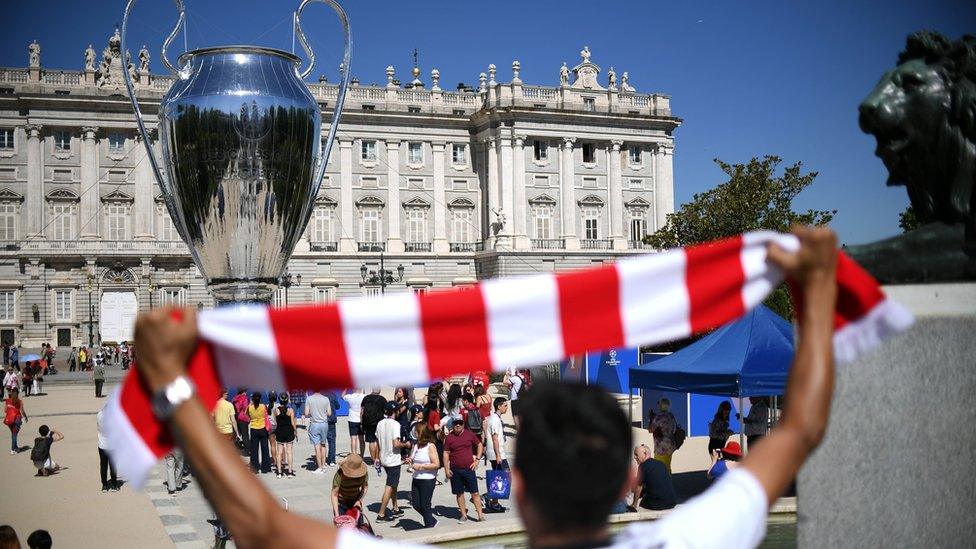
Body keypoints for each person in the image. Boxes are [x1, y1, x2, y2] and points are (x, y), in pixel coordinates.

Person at [130, 225, 841, 549]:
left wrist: (172, 386)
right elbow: (802, 427)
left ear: (521, 488)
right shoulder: (689, 536)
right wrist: (815, 289)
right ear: (626, 476)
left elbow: (258, 523)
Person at [443, 417, 486, 523]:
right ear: (452, 425)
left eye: (460, 423)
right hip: (455, 470)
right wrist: (446, 469)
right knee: (459, 493)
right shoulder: (449, 438)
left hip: (468, 469)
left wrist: (477, 459)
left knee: (475, 493)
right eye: (456, 423)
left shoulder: (469, 434)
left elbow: (479, 445)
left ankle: (480, 515)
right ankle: (463, 514)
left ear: (463, 424)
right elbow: (446, 453)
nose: (458, 425)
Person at [375, 401, 408, 522]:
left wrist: (377, 457)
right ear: (395, 411)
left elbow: (377, 442)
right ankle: (381, 513)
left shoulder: (380, 423)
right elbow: (396, 443)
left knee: (394, 484)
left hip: (383, 458)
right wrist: (407, 444)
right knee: (389, 486)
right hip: (393, 460)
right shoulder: (395, 424)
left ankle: (395, 508)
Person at [408, 425, 440, 528]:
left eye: (417, 432)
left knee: (425, 505)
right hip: (416, 478)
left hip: (428, 479)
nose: (415, 434)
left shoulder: (430, 446)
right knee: (416, 504)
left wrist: (421, 467)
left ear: (422, 433)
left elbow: (436, 464)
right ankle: (432, 521)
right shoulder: (417, 445)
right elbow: (412, 458)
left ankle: (429, 526)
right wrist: (410, 460)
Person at [631, 444, 676, 511]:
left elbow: (638, 487)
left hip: (658, 504)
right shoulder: (661, 464)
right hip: (671, 502)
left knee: (642, 503)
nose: (635, 457)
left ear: (645, 454)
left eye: (636, 454)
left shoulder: (643, 466)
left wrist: (634, 504)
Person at [484, 397, 509, 513]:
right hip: (497, 454)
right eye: (505, 405)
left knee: (499, 477)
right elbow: (494, 439)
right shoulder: (494, 420)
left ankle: (494, 502)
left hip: (498, 453)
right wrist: (498, 455)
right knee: (502, 476)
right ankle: (491, 499)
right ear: (499, 406)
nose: (506, 408)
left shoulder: (496, 418)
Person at [331, 454, 369, 519]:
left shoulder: (364, 474)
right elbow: (334, 494)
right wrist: (337, 515)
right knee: (342, 527)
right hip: (341, 502)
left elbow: (365, 487)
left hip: (355, 501)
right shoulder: (340, 474)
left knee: (358, 526)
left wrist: (359, 500)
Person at [359, 388, 387, 474]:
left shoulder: (366, 398)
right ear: (379, 391)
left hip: (368, 422)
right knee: (378, 441)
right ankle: (378, 458)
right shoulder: (382, 399)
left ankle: (373, 460)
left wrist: (361, 421)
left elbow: (362, 411)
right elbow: (386, 411)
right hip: (379, 422)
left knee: (371, 441)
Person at [305, 390, 333, 473]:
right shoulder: (326, 399)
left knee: (317, 446)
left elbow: (306, 413)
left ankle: (319, 467)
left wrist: (313, 412)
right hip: (324, 424)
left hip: (314, 424)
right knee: (323, 444)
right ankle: (324, 465)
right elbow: (329, 413)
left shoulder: (309, 399)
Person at [648, 398, 678, 473]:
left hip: (661, 447)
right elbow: (674, 429)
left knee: (659, 469)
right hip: (670, 445)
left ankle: (662, 484)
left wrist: (651, 419)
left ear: (661, 405)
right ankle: (669, 483)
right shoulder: (671, 416)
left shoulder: (658, 417)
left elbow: (650, 429)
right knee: (667, 467)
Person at [247, 392, 272, 473]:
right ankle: (265, 468)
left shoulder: (249, 407)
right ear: (260, 398)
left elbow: (247, 415)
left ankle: (254, 468)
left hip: (254, 428)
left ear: (252, 398)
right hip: (262, 428)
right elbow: (268, 413)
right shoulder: (263, 406)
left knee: (254, 449)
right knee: (265, 448)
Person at [274, 393, 297, 478]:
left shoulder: (276, 410)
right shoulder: (290, 410)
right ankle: (290, 472)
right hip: (289, 431)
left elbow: (276, 421)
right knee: (289, 452)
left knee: (279, 453)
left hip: (280, 431)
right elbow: (292, 423)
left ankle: (279, 473)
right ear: (287, 400)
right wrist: (295, 431)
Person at [96, 408, 119, 492]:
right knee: (113, 466)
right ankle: (114, 484)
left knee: (103, 465)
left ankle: (104, 485)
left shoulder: (99, 415)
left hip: (102, 445)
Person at [341, 389, 366, 458]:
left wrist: (346, 388)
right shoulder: (364, 396)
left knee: (353, 438)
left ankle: (354, 456)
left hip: (352, 419)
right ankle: (362, 455)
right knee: (361, 439)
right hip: (361, 420)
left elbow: (342, 396)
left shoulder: (350, 397)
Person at [4, 388, 26, 454]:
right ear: (18, 393)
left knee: (13, 434)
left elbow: (5, 410)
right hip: (17, 419)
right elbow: (22, 411)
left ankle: (15, 447)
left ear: (11, 392)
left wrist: (11, 409)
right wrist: (25, 417)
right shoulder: (20, 401)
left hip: (9, 420)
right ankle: (12, 449)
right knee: (14, 435)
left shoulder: (7, 400)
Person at [232, 388, 250, 454]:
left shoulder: (234, 398)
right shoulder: (245, 398)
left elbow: (233, 408)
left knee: (238, 434)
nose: (246, 393)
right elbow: (246, 408)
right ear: (242, 392)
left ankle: (238, 448)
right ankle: (247, 450)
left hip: (237, 417)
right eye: (245, 391)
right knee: (245, 435)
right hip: (243, 418)